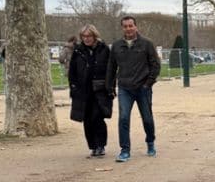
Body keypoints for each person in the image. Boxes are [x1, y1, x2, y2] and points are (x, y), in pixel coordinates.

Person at [106, 15, 161, 161]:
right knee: (123, 118)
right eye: (125, 26)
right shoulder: (116, 46)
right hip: (125, 88)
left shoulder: (147, 44)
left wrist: (148, 83)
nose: (128, 29)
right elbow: (111, 67)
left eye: (131, 26)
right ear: (122, 28)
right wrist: (110, 86)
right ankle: (125, 150)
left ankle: (150, 142)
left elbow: (155, 65)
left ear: (136, 27)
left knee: (147, 118)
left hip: (143, 88)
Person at [68, 24, 113, 157]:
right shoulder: (78, 51)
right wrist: (74, 87)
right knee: (87, 119)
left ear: (95, 36)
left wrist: (110, 86)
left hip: (100, 90)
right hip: (83, 90)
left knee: (97, 117)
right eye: (84, 36)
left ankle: (101, 145)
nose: (86, 39)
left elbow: (110, 70)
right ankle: (93, 146)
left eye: (89, 36)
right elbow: (72, 71)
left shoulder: (104, 49)